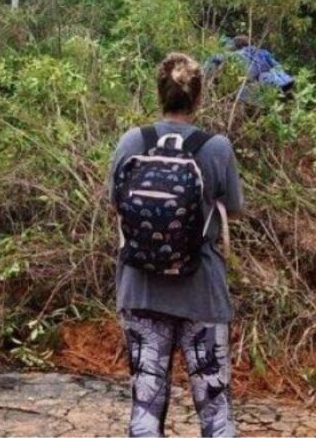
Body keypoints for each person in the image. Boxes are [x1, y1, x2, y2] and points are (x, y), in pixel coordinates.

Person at [108, 53, 243, 437]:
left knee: (146, 409)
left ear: (159, 94)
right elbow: (232, 210)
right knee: (216, 413)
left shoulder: (133, 140)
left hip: (141, 291)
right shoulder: (216, 147)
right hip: (202, 293)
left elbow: (115, 204)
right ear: (198, 98)